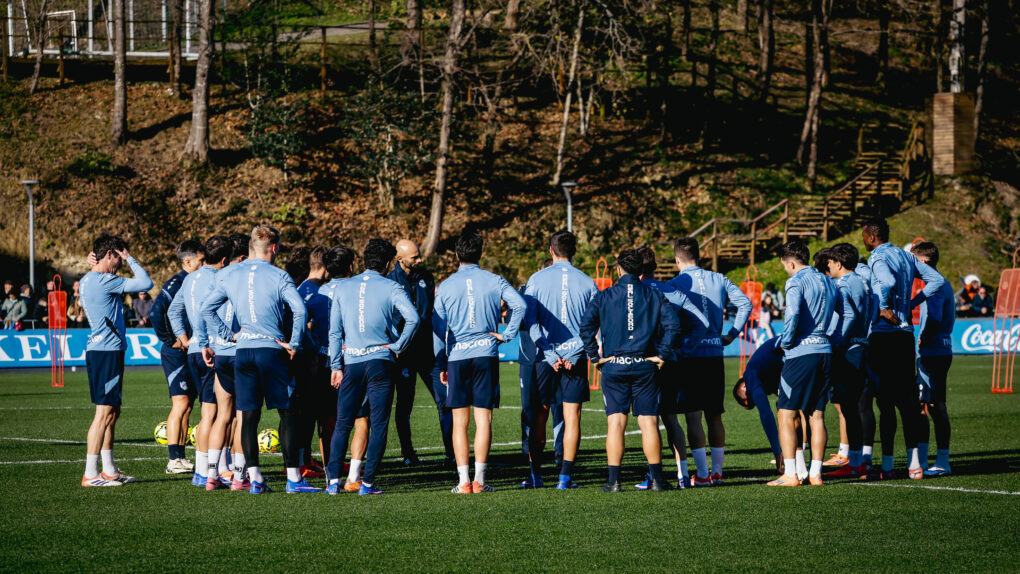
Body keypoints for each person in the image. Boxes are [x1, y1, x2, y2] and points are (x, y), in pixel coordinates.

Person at [199, 225, 311, 494]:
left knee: (248, 416)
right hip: (270, 350)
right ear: (275, 249)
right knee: (287, 413)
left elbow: (206, 308)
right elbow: (299, 309)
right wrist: (294, 343)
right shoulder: (279, 275)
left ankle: (255, 479)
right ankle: (294, 479)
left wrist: (228, 335)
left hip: (243, 351)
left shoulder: (229, 274)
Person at [579, 248, 682, 492]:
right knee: (649, 422)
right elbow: (673, 325)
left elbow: (585, 327)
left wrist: (595, 357)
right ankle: (657, 480)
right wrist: (662, 355)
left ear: (618, 269)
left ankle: (614, 482)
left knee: (616, 423)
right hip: (644, 365)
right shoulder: (654, 295)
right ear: (641, 271)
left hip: (614, 365)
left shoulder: (605, 295)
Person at [323, 238, 420, 496]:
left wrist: (335, 364)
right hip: (380, 361)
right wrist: (398, 346)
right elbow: (414, 318)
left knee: (343, 422)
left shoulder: (343, 288)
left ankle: (333, 482)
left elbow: (335, 332)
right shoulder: (391, 287)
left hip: (352, 362)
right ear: (388, 263)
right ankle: (366, 484)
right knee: (378, 423)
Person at [435, 231, 526, 494]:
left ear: (455, 254)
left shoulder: (446, 286)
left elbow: (438, 329)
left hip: (458, 356)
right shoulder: (494, 280)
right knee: (484, 419)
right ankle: (480, 480)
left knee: (459, 421)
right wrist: (508, 335)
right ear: (481, 253)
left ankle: (463, 482)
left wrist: (442, 362)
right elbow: (519, 306)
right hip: (486, 353)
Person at [861, 218, 945, 481]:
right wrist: (913, 302)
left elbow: (884, 282)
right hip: (905, 336)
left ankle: (887, 466)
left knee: (885, 403)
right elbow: (937, 280)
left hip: (884, 336)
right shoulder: (905, 256)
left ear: (872, 237)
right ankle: (914, 465)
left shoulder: (877, 256)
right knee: (908, 403)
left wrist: (884, 306)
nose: (863, 240)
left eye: (864, 235)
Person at [667, 237, 752, 486]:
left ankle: (702, 474)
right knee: (715, 415)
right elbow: (745, 304)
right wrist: (732, 334)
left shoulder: (675, 284)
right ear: (699, 255)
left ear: (676, 259)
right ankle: (717, 472)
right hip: (715, 353)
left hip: (689, 355)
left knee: (693, 416)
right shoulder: (719, 278)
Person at [521, 230, 598, 489]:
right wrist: (573, 352)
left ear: (551, 251)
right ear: (573, 251)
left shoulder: (536, 279)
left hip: (545, 358)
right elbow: (593, 326)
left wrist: (552, 352)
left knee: (539, 416)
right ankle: (565, 478)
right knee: (572, 417)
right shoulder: (588, 282)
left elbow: (530, 322)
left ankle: (536, 476)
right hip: (574, 360)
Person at [78, 234, 153, 486]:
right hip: (106, 352)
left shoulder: (88, 277)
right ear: (109, 254)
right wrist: (131, 258)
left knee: (113, 412)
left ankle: (109, 469)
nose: (120, 262)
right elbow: (145, 282)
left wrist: (95, 261)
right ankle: (90, 474)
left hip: (106, 350)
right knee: (103, 413)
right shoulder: (105, 281)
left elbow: (96, 268)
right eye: (118, 257)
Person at [636, 246, 708, 489]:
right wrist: (683, 349)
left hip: (643, 363)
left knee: (647, 422)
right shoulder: (670, 290)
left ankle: (653, 475)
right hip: (670, 361)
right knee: (671, 420)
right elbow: (702, 322)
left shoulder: (633, 292)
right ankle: (682, 475)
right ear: (656, 267)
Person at [766, 241, 835, 487]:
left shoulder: (795, 281)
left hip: (802, 353)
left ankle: (791, 474)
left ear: (792, 263)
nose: (786, 270)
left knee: (786, 413)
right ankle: (816, 473)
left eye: (785, 266)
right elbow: (840, 312)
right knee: (817, 415)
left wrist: (786, 339)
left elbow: (793, 313)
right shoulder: (827, 280)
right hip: (825, 350)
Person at [169, 235, 233, 489]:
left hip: (194, 348)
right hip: (212, 348)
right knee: (213, 413)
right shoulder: (220, 278)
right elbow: (215, 311)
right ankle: (208, 471)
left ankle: (204, 471)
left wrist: (184, 339)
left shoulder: (190, 278)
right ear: (225, 259)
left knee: (209, 411)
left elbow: (174, 310)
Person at [148, 240, 203, 474]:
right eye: (201, 260)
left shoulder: (196, 280)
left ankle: (181, 457)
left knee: (188, 405)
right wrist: (170, 339)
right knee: (180, 404)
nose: (204, 264)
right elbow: (155, 311)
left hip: (190, 349)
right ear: (188, 261)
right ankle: (173, 460)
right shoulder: (177, 282)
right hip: (176, 352)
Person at [388, 239, 442, 467]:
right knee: (404, 405)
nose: (420, 260)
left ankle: (452, 453)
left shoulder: (426, 278)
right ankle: (408, 453)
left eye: (419, 256)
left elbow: (431, 313)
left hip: (428, 353)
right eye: (415, 257)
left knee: (445, 401)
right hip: (403, 355)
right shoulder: (388, 282)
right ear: (400, 259)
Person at [318, 245, 367, 491]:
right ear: (350, 266)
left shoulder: (319, 292)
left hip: (324, 362)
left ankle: (331, 474)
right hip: (354, 359)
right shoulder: (358, 290)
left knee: (330, 420)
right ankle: (354, 476)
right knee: (361, 418)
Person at [822, 243, 872, 478]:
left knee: (849, 407)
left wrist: (838, 341)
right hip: (862, 344)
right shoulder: (862, 281)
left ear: (839, 264)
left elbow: (847, 315)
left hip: (849, 348)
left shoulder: (842, 284)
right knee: (856, 406)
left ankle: (854, 463)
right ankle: (858, 460)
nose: (828, 267)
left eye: (829, 263)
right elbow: (872, 310)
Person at [910, 241, 955, 477]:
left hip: (933, 352)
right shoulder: (941, 284)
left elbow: (935, 317)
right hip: (941, 350)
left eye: (914, 261)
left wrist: (924, 337)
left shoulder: (936, 287)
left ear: (923, 262)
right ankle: (933, 460)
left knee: (928, 406)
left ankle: (939, 461)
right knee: (931, 405)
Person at [518, 259, 565, 482]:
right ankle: (529, 456)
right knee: (532, 409)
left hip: (550, 357)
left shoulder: (557, 292)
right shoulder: (527, 290)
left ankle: (559, 453)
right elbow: (518, 321)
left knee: (557, 409)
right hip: (530, 359)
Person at [294, 245, 330, 478]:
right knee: (311, 414)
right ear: (326, 268)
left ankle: (306, 460)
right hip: (313, 361)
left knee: (311, 413)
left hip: (307, 360)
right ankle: (303, 463)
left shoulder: (299, 289)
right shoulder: (319, 293)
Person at [732, 336, 784, 473]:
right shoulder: (765, 378)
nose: (748, 401)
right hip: (807, 350)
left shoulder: (750, 375)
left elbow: (766, 414)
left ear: (743, 387)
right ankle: (797, 457)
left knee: (787, 412)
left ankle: (791, 457)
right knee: (793, 411)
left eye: (743, 400)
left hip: (794, 347)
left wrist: (776, 451)